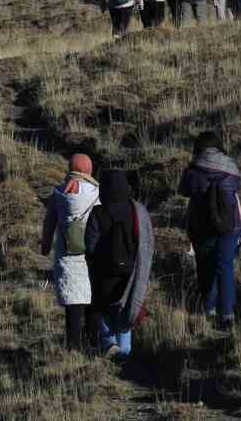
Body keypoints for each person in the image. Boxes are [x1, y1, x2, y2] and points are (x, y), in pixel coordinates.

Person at [178, 132, 241, 329]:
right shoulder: (231, 167)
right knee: (225, 266)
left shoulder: (193, 170)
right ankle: (227, 313)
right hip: (230, 225)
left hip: (202, 227)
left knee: (205, 266)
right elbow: (236, 189)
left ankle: (209, 309)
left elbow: (183, 191)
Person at [85, 168, 154, 360]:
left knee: (102, 307)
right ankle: (124, 351)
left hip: (104, 270)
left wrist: (93, 263)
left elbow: (90, 244)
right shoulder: (137, 211)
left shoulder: (97, 212)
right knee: (126, 307)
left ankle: (109, 343)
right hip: (132, 269)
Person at [40, 153, 102, 351]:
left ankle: (73, 347)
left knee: (73, 300)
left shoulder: (59, 193)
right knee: (92, 297)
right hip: (93, 253)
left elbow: (49, 223)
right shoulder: (97, 193)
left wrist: (45, 246)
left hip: (68, 255)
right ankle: (94, 342)